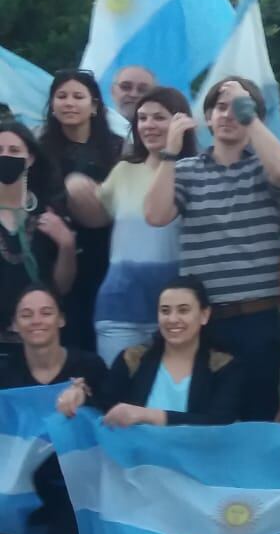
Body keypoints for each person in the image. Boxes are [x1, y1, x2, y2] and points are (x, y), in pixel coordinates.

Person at [144, 77, 280, 421]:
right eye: (220, 107)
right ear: (207, 117)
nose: (228, 115)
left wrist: (250, 114)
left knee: (259, 415)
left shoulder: (264, 167)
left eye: (239, 108)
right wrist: (169, 151)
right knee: (207, 416)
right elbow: (155, 215)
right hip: (205, 320)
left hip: (258, 317)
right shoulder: (184, 170)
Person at [64, 87, 197, 366]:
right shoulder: (124, 171)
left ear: (180, 121)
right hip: (120, 305)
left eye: (159, 117)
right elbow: (97, 216)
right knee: (118, 397)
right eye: (142, 118)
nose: (148, 125)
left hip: (177, 309)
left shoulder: (196, 171)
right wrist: (76, 190)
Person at [56, 276, 243, 426]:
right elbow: (104, 407)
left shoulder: (223, 366)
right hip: (138, 468)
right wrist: (80, 394)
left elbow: (219, 423)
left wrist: (149, 416)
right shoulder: (132, 359)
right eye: (165, 311)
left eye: (183, 310)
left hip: (198, 468)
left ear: (204, 315)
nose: (172, 319)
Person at [0, 285, 106, 534]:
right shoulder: (5, 376)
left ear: (61, 319)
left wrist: (85, 394)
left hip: (78, 489)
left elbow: (112, 416)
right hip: (19, 489)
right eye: (26, 314)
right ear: (14, 324)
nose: (36, 320)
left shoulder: (89, 366)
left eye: (46, 312)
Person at [39, 70, 123, 352]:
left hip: (110, 253)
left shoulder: (118, 149)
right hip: (59, 255)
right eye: (61, 96)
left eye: (78, 96)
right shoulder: (39, 151)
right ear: (52, 105)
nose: (69, 103)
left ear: (95, 105)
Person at [0, 123, 76, 355]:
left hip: (41, 339)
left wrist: (66, 245)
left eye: (14, 150)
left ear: (30, 158)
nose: (5, 156)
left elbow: (61, 286)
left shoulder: (48, 211)